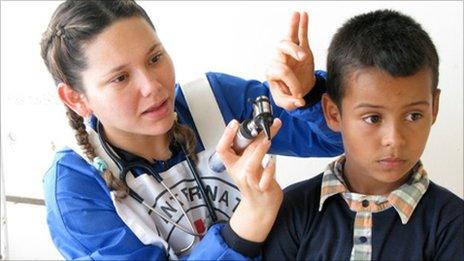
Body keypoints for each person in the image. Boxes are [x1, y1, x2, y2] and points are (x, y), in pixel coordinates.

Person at [40, 1, 343, 260]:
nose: (153, 86)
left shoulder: (213, 100)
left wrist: (309, 94)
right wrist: (247, 226)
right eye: (120, 78)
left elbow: (342, 139)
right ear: (75, 98)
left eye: (155, 58)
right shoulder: (75, 184)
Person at [263, 9, 464, 260]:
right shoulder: (291, 209)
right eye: (373, 118)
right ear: (334, 114)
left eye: (413, 116)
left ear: (434, 108)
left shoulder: (453, 223)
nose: (394, 139)